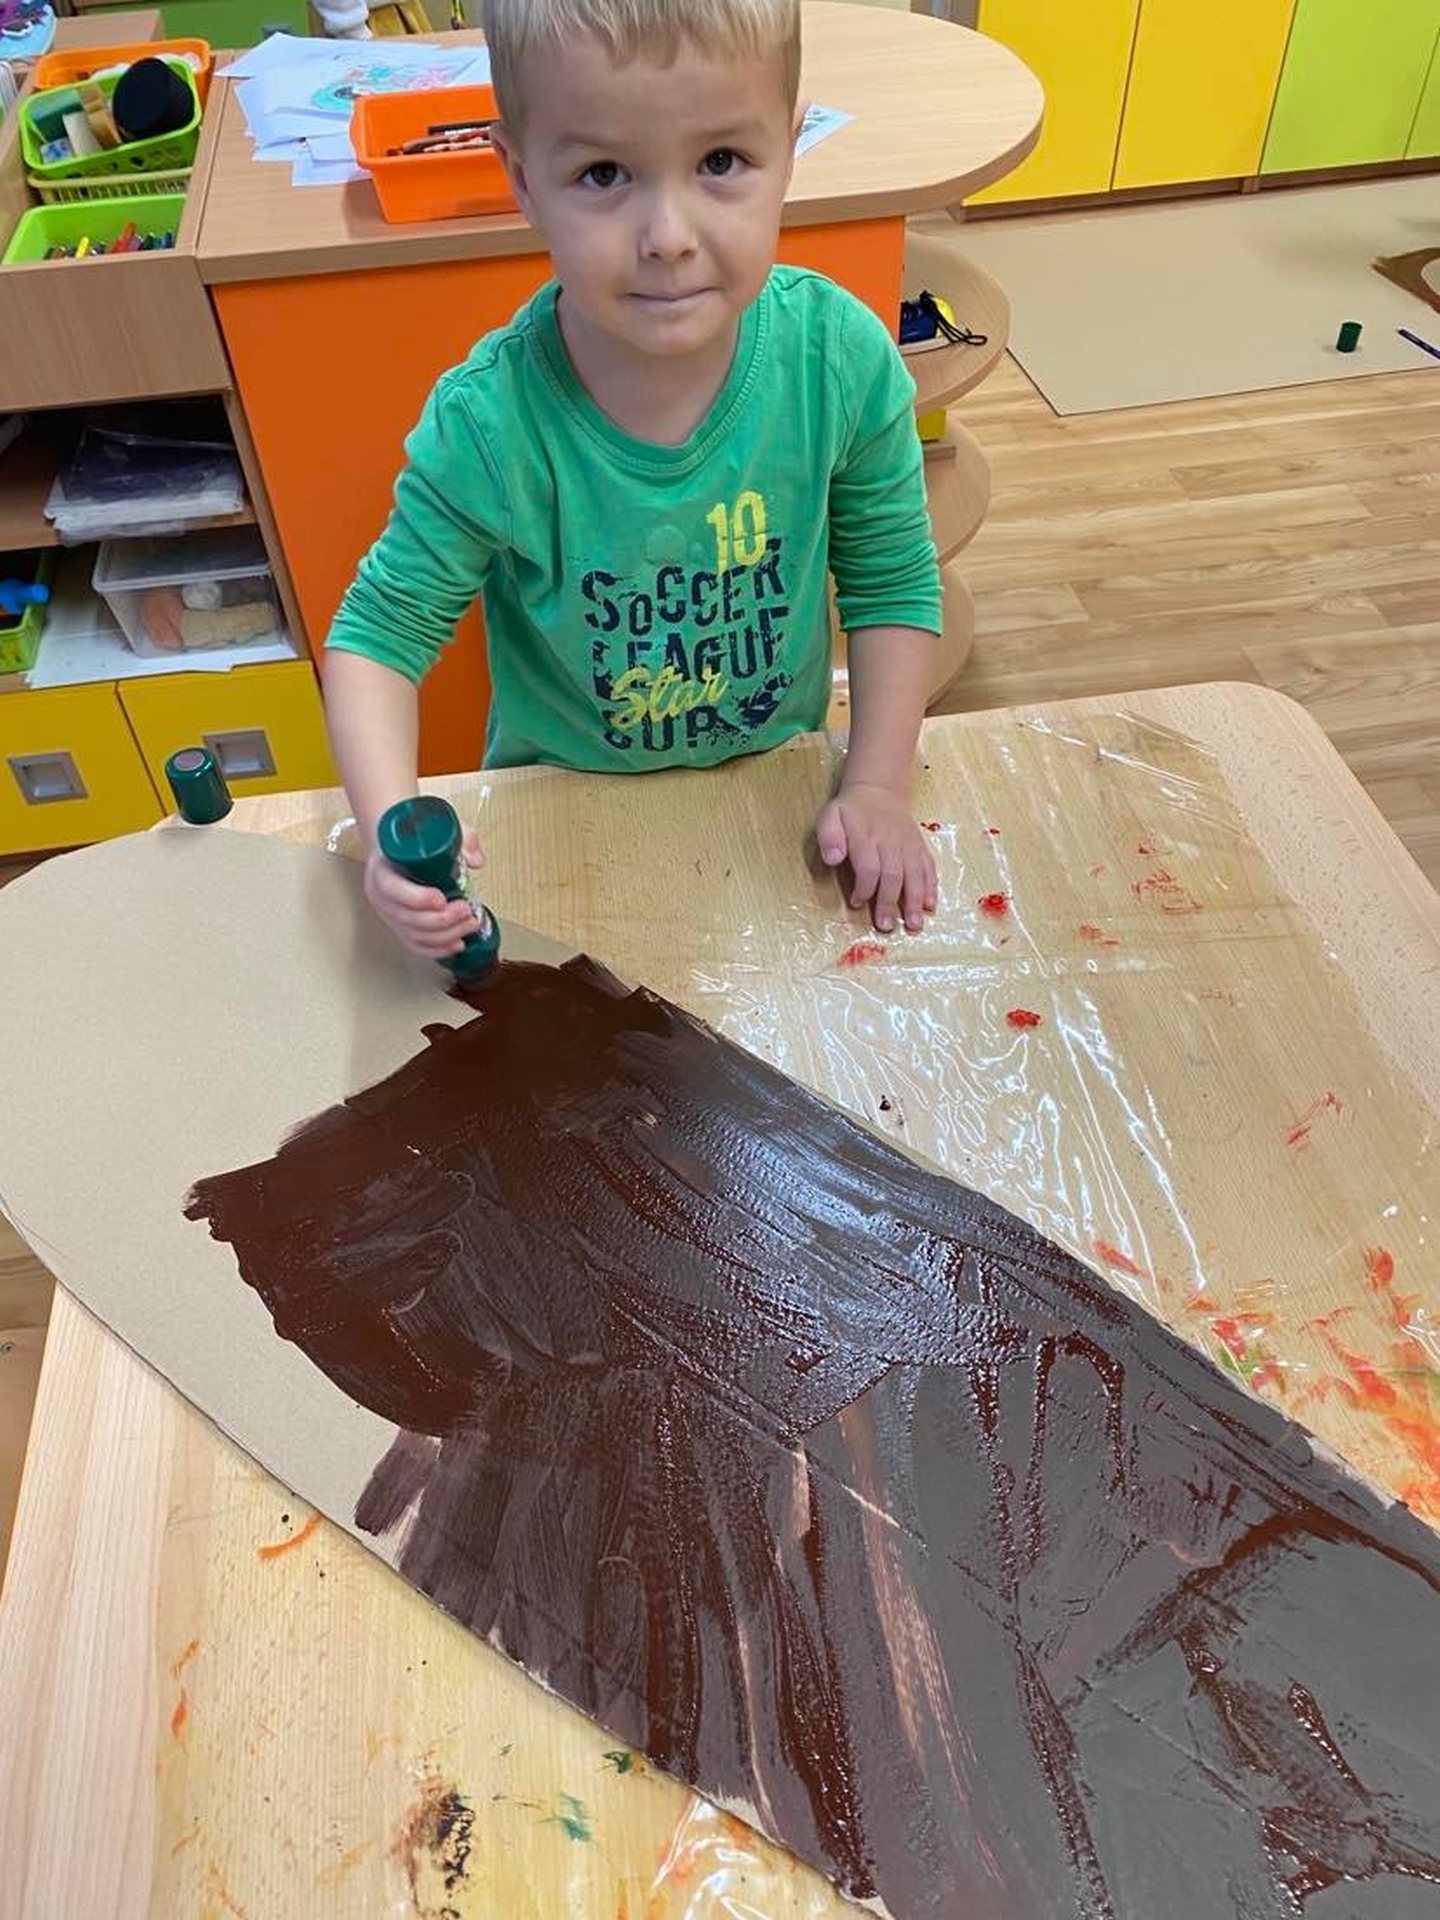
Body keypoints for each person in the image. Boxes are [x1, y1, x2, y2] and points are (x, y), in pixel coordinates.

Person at [324, 0, 943, 957]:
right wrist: (388, 830)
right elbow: (377, 637)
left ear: (789, 144)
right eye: (604, 174)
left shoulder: (839, 361)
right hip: (563, 820)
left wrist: (876, 785)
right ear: (522, 180)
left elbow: (892, 581)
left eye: (721, 161)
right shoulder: (489, 423)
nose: (668, 235)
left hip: (773, 807)